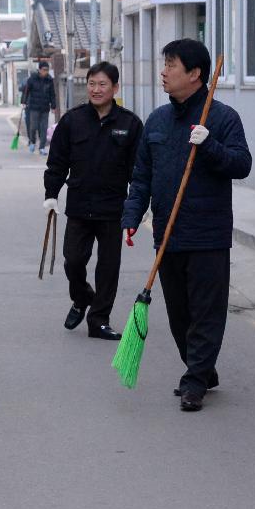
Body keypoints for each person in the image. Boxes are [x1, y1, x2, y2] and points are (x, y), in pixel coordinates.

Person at [122, 39, 252, 412]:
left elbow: (241, 165)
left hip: (208, 234)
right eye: (164, 64)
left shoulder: (222, 118)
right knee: (180, 313)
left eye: (171, 65)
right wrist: (132, 216)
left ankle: (194, 379)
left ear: (195, 74)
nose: (163, 72)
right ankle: (201, 366)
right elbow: (142, 174)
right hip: (168, 233)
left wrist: (210, 145)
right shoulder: (157, 121)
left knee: (206, 310)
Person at [44, 62, 143, 340]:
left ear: (115, 88)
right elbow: (57, 162)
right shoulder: (72, 121)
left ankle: (98, 320)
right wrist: (51, 195)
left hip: (113, 209)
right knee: (72, 261)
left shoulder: (130, 124)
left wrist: (138, 207)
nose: (96, 89)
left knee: (108, 268)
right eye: (91, 84)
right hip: (79, 206)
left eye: (102, 84)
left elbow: (139, 171)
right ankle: (82, 296)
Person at [22, 61, 57, 155]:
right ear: (40, 70)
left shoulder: (49, 80)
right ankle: (32, 142)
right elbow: (26, 91)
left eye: (47, 70)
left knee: (44, 128)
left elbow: (52, 94)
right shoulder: (32, 79)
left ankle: (41, 148)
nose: (46, 72)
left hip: (45, 108)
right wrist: (24, 102)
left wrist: (53, 106)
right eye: (44, 70)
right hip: (34, 107)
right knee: (33, 126)